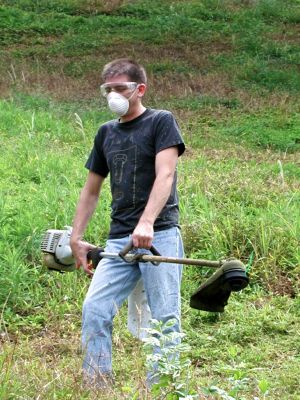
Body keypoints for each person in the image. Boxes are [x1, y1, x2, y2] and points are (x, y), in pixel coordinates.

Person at [70, 58, 185, 388]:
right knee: (95, 309)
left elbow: (165, 174)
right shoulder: (106, 132)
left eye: (120, 88)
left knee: (165, 318)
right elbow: (91, 190)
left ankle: (162, 391)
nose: (113, 95)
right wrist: (76, 238)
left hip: (159, 233)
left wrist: (147, 222)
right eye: (107, 89)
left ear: (140, 89)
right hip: (119, 239)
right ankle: (97, 387)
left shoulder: (161, 122)